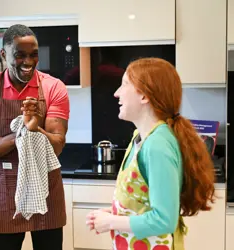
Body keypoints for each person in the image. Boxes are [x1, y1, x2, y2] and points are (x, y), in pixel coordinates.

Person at [86, 58, 216, 250]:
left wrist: (111, 222)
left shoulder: (158, 145)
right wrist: (114, 213)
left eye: (124, 85)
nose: (116, 93)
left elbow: (164, 220)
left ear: (144, 96)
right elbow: (141, 202)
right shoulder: (140, 137)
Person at [0, 24, 70, 250]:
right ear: (4, 55)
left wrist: (36, 130)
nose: (28, 62)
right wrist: (21, 133)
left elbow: (57, 144)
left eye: (34, 55)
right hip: (5, 190)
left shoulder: (54, 88)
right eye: (20, 55)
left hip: (47, 190)